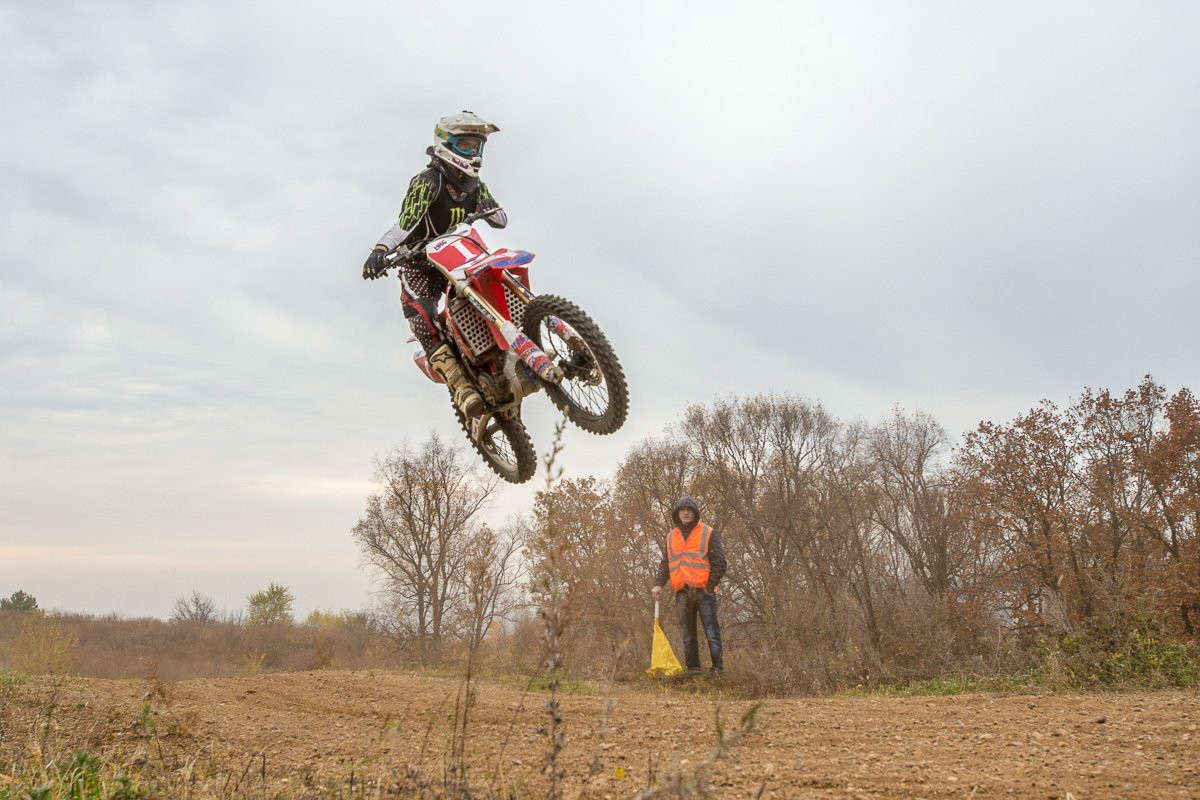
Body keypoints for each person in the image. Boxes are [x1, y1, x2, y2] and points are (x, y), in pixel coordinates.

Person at [361, 110, 509, 417]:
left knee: (497, 276)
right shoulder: (428, 181)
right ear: (447, 144)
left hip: (459, 253)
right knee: (421, 312)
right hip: (419, 262)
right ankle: (461, 385)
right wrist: (380, 250)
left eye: (478, 147)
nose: (474, 154)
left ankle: (521, 332)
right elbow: (404, 224)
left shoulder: (475, 184)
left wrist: (489, 206)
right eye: (467, 145)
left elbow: (500, 220)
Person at [651, 496, 727, 673]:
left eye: (689, 509)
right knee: (687, 635)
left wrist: (709, 587)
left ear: (695, 513)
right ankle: (693, 670)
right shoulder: (671, 537)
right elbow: (666, 564)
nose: (685, 512)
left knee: (711, 632)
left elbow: (720, 563)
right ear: (677, 513)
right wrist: (658, 584)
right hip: (682, 592)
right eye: (682, 509)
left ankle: (717, 669)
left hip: (704, 592)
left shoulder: (708, 533)